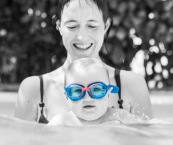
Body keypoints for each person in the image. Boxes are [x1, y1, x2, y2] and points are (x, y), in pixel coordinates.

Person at [15, 0, 153, 123]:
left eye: (92, 26)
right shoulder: (34, 89)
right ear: (59, 26)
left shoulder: (132, 85)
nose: (81, 36)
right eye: (72, 26)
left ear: (106, 25)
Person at [48, 58, 150, 126]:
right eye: (77, 91)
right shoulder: (60, 123)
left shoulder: (120, 118)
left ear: (108, 92)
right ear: (66, 96)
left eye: (96, 89)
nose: (87, 98)